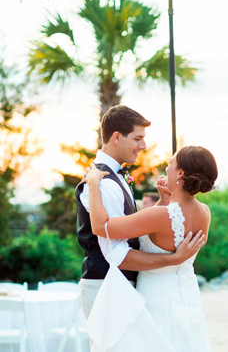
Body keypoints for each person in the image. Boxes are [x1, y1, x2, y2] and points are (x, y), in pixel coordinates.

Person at [75, 105, 205, 328]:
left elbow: (128, 227)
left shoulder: (112, 177)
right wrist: (173, 259)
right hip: (106, 287)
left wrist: (160, 205)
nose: (143, 146)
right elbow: (115, 251)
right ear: (117, 137)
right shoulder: (103, 182)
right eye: (138, 138)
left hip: (120, 288)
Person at [83, 145, 218, 352]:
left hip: (157, 299)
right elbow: (164, 233)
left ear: (180, 173)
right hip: (188, 298)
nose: (166, 168)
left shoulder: (160, 216)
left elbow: (102, 228)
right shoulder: (204, 212)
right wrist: (164, 201)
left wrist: (93, 184)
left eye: (171, 164)